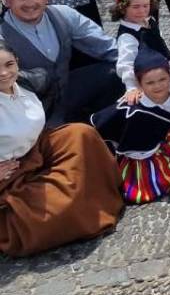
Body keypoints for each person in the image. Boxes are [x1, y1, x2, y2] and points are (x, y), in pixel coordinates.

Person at [0, 41, 123, 257]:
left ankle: (102, 190)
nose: (4, 73)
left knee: (81, 134)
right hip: (12, 173)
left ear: (17, 63)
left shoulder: (25, 83)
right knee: (61, 209)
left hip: (38, 148)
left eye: (8, 64)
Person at [90, 46, 170, 205]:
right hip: (143, 155)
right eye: (150, 82)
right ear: (139, 84)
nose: (158, 86)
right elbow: (107, 124)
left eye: (162, 80)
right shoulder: (131, 104)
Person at [1, 0, 123, 125]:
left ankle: (108, 130)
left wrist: (148, 65)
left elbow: (108, 48)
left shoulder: (64, 14)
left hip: (68, 94)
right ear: (7, 0)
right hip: (27, 110)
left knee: (117, 70)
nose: (30, 3)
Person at [110, 0, 170, 94]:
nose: (142, 11)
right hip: (148, 80)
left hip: (163, 70)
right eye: (136, 7)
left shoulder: (150, 21)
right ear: (122, 8)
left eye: (146, 6)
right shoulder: (127, 36)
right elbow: (126, 64)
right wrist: (132, 88)